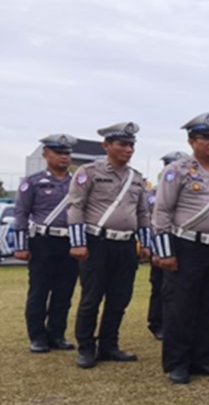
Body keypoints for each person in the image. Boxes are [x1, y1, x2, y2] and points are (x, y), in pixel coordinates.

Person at [67, 122, 152, 368]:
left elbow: (143, 213)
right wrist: (78, 242)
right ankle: (85, 348)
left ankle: (109, 345)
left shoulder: (135, 178)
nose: (129, 149)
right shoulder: (89, 171)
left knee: (119, 298)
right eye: (123, 144)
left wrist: (146, 244)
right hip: (97, 242)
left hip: (126, 245)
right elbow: (76, 207)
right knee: (91, 298)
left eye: (131, 145)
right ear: (107, 145)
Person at [151, 113, 209, 385]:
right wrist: (164, 251)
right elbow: (162, 212)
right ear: (191, 141)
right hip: (185, 246)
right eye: (205, 138)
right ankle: (178, 363)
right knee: (180, 307)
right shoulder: (178, 170)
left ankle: (203, 359)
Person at [12, 134, 79, 353]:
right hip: (43, 241)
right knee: (39, 290)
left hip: (69, 241)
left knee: (64, 291)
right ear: (46, 154)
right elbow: (21, 213)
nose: (64, 157)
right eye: (58, 152)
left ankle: (57, 334)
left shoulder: (77, 184)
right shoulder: (32, 182)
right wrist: (21, 246)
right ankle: (37, 337)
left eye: (67, 153)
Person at [148, 150, 188, 341]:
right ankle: (157, 323)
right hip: (161, 244)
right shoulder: (155, 193)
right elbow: (151, 222)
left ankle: (176, 324)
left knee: (179, 289)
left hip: (183, 244)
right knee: (160, 287)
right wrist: (155, 249)